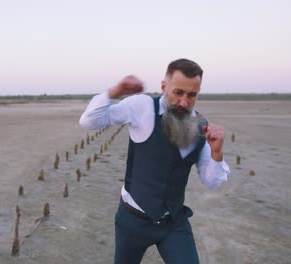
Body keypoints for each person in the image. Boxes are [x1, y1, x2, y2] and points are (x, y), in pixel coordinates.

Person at [79, 58, 230, 264]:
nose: (184, 102)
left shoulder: (201, 126)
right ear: (164, 86)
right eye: (178, 93)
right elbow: (89, 121)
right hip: (133, 221)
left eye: (192, 95)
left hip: (173, 223)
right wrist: (115, 91)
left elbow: (212, 182)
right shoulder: (142, 107)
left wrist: (217, 153)